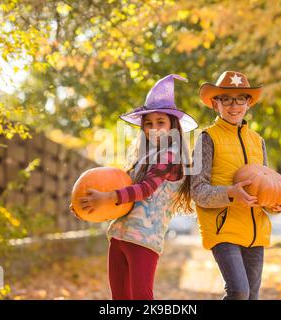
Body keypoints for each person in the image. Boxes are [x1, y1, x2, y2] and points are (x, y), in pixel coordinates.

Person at [71, 74, 198, 300]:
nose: (154, 128)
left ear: (172, 126)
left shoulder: (170, 156)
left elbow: (146, 189)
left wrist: (107, 197)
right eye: (148, 124)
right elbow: (122, 194)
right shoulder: (142, 158)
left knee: (141, 297)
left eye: (161, 122)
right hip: (119, 236)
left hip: (144, 239)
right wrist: (89, 206)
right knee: (120, 299)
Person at [191, 70, 281, 300]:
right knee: (238, 291)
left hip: (255, 231)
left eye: (240, 99)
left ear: (248, 103)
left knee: (252, 297)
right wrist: (230, 193)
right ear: (215, 103)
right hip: (222, 229)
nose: (233, 105)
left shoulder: (258, 141)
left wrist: (276, 205)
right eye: (226, 99)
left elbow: (264, 190)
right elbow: (197, 191)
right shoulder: (206, 138)